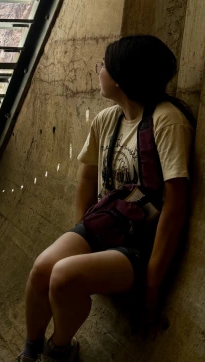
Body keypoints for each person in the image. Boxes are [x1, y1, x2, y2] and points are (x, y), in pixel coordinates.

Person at [18, 35, 195, 362]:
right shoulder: (107, 119)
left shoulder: (166, 120)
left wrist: (153, 285)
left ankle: (58, 351)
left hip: (142, 242)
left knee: (64, 276)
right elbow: (87, 174)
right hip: (107, 221)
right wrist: (81, 226)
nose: (98, 70)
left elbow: (176, 203)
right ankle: (31, 351)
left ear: (121, 77)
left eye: (104, 65)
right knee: (43, 268)